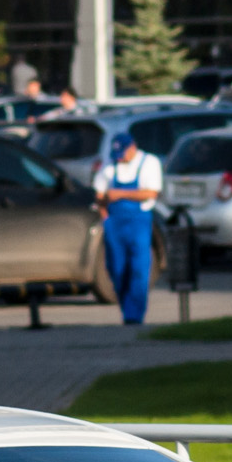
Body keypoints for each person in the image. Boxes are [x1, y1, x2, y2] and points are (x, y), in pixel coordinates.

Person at [94, 130, 163, 326]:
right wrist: (104, 215)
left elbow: (151, 192)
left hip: (138, 221)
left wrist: (120, 194)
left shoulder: (149, 163)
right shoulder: (110, 166)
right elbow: (99, 193)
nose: (120, 158)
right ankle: (126, 307)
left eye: (123, 153)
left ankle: (134, 315)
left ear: (132, 148)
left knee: (139, 269)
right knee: (117, 268)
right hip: (115, 223)